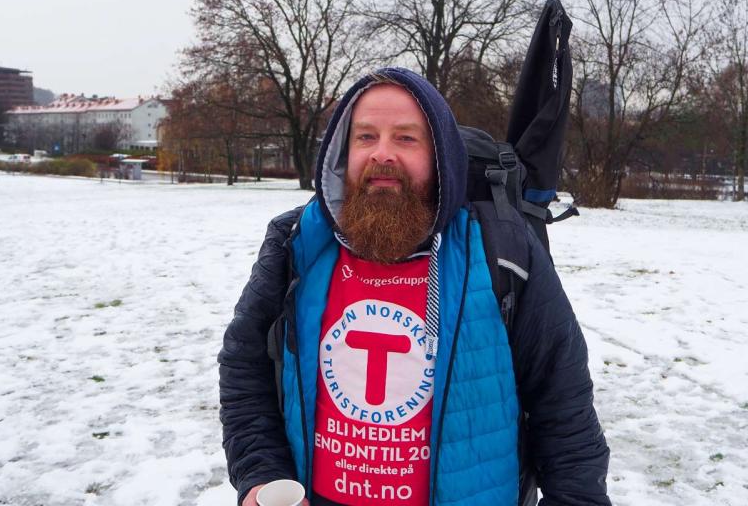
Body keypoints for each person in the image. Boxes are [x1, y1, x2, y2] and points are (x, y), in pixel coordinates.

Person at [219, 68, 610, 506]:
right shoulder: (297, 243)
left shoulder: (502, 249)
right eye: (365, 137)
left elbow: (563, 404)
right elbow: (244, 368)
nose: (381, 154)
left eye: (406, 138)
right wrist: (260, 472)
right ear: (341, 152)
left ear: (441, 155)